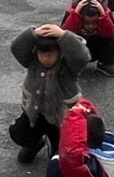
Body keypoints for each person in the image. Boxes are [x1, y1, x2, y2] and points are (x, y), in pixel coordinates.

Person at [10, 24, 90, 164]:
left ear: (60, 53)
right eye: (41, 54)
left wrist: (63, 36)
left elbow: (81, 57)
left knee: (59, 154)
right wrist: (33, 33)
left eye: (50, 55)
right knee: (19, 133)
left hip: (60, 117)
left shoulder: (68, 67)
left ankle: (56, 148)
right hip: (36, 113)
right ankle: (36, 143)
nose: (45, 59)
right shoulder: (33, 63)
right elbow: (16, 48)